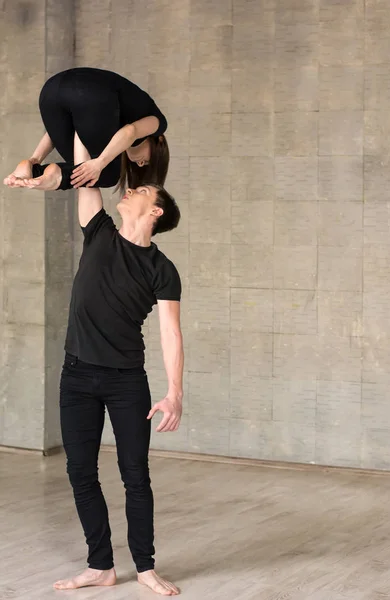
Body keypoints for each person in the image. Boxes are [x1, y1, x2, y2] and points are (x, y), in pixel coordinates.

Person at [53, 132, 183, 596]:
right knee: (79, 471)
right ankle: (101, 565)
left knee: (135, 477)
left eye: (142, 191)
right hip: (76, 376)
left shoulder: (162, 269)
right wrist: (76, 122)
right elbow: (83, 173)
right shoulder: (99, 232)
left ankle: (145, 566)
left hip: (127, 381)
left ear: (156, 211)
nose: (130, 189)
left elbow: (170, 332)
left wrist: (175, 391)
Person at [3, 67, 169, 192]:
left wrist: (35, 158)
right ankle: (55, 176)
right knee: (109, 173)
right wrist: (99, 163)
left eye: (142, 165)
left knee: (82, 166)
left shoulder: (108, 125)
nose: (140, 163)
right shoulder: (159, 124)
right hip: (91, 94)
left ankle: (33, 169)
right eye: (147, 160)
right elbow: (130, 132)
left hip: (51, 91)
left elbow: (57, 132)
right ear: (159, 140)